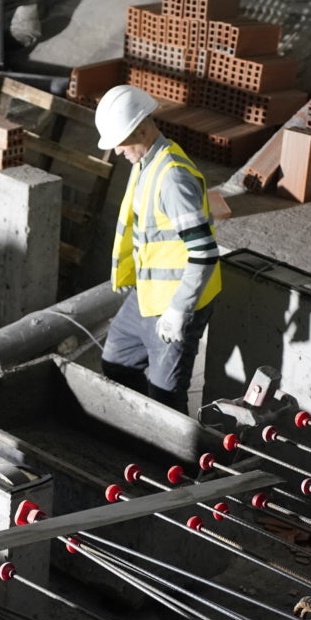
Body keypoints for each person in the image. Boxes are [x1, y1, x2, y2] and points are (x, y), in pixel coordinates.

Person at [93, 83, 222, 411]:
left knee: (166, 399)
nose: (118, 152)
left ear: (140, 128)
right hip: (148, 295)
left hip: (177, 303)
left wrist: (179, 310)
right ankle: (138, 428)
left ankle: (173, 459)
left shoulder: (173, 179)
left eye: (120, 143)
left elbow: (204, 252)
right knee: (116, 362)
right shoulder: (146, 163)